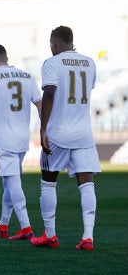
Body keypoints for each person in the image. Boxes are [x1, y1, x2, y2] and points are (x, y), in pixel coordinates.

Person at [30, 26, 100, 251]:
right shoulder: (90, 62)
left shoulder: (52, 63)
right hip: (83, 133)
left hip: (58, 132)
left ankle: (50, 235)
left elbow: (49, 93)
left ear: (54, 43)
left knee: (48, 182)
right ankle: (88, 237)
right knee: (86, 183)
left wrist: (43, 129)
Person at [0, 44, 42, 240]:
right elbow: (39, 103)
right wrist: (44, 127)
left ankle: (25, 226)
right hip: (23, 136)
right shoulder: (26, 76)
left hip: (4, 137)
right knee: (9, 181)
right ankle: (4, 224)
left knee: (13, 182)